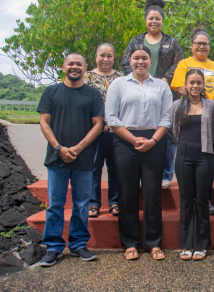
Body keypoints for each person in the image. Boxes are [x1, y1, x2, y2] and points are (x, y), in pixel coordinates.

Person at [106, 44, 173, 261]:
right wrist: (134, 139)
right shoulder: (118, 84)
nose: (140, 62)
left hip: (155, 141)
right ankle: (130, 243)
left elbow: (167, 117)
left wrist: (153, 140)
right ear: (130, 61)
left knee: (153, 194)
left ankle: (153, 243)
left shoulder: (161, 87)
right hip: (126, 141)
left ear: (150, 61)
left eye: (144, 58)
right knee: (128, 193)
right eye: (136, 58)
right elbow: (112, 118)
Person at [38, 52, 104, 267]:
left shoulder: (93, 94)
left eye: (79, 64)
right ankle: (53, 248)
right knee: (55, 205)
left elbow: (98, 124)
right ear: (63, 67)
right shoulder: (51, 91)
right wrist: (59, 148)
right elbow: (44, 122)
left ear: (85, 68)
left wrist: (77, 148)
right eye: (70, 64)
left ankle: (78, 245)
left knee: (82, 204)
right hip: (56, 159)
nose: (74, 67)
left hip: (83, 159)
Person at [121, 0, 184, 190]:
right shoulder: (136, 41)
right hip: (139, 92)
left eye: (158, 18)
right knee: (142, 130)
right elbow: (125, 63)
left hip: (164, 93)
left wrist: (165, 80)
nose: (154, 21)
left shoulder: (171, 42)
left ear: (162, 21)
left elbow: (178, 63)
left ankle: (166, 174)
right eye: (150, 18)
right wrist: (137, 81)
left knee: (167, 133)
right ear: (146, 20)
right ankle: (141, 174)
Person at [171, 27, 214, 215]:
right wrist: (200, 98)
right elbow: (180, 87)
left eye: (205, 43)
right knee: (187, 165)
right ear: (192, 46)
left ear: (210, 46)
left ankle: (206, 200)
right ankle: (191, 201)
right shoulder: (184, 64)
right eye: (198, 43)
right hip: (190, 119)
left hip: (212, 122)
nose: (202, 46)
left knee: (207, 165)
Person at [170, 69, 214, 261]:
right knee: (187, 199)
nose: (195, 86)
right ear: (186, 85)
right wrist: (183, 147)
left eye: (199, 83)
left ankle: (202, 245)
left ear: (203, 85)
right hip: (183, 154)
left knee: (202, 199)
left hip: (204, 154)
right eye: (192, 83)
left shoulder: (211, 105)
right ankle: (187, 245)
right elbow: (173, 131)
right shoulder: (176, 106)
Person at [84, 43, 123, 218]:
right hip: (93, 131)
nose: (105, 59)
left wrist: (113, 122)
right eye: (102, 55)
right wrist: (99, 122)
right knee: (94, 167)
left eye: (109, 56)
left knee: (115, 168)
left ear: (114, 58)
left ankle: (115, 202)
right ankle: (93, 203)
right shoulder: (86, 78)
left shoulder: (121, 78)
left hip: (116, 132)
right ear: (96, 57)